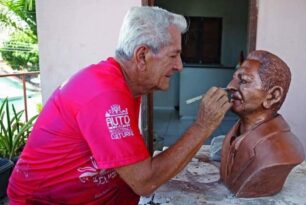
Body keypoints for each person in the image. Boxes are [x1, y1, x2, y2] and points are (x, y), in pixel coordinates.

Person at [7, 6, 231, 204]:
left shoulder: (127, 86)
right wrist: (203, 125)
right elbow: (145, 181)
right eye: (173, 55)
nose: (179, 66)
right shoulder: (104, 94)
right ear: (142, 56)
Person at [220, 50, 305, 197]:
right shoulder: (232, 135)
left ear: (272, 96)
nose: (230, 86)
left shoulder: (283, 151)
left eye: (244, 81)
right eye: (234, 79)